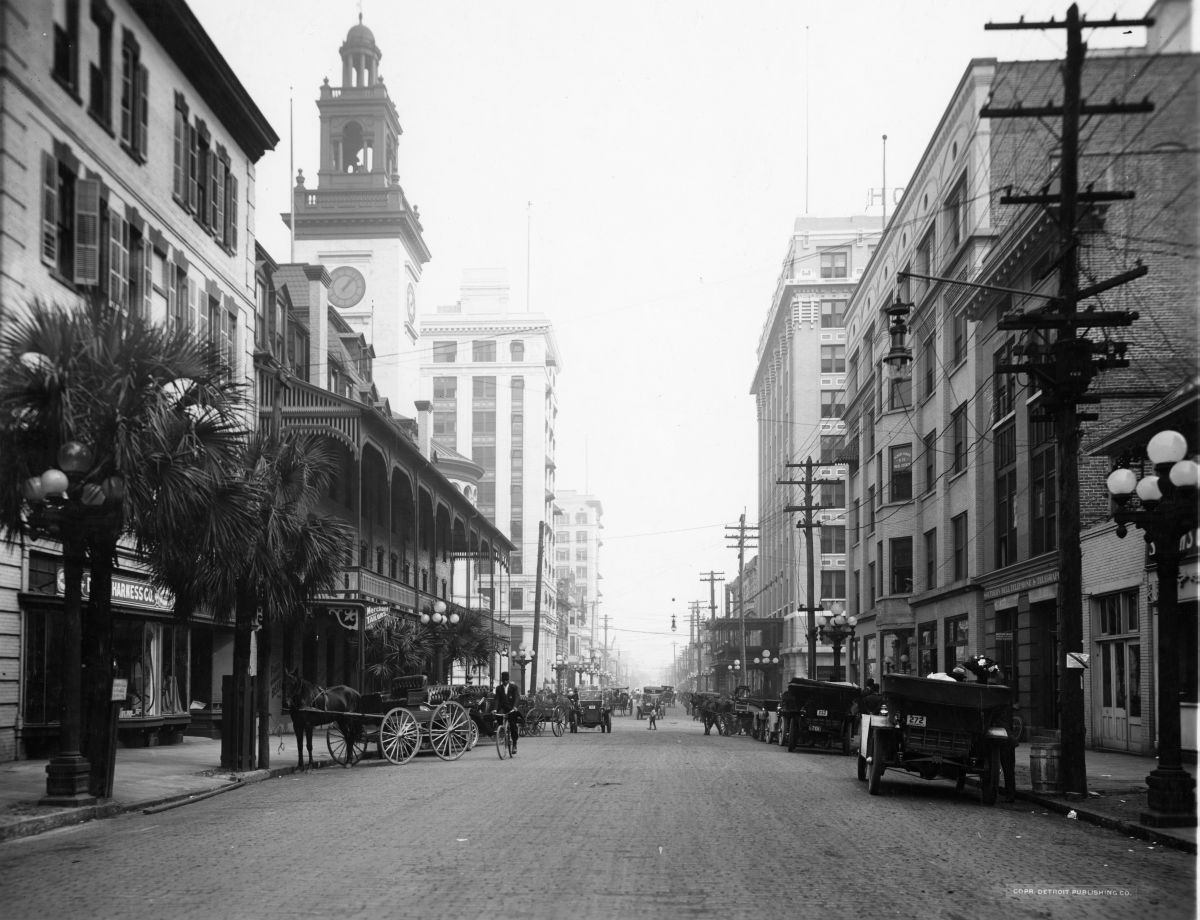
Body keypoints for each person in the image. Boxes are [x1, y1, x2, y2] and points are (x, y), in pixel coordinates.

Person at [494, 671, 521, 755]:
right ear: (502, 680)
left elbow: (517, 697)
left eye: (506, 680)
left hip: (511, 708)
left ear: (508, 680)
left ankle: (514, 744)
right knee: (498, 716)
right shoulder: (498, 688)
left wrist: (515, 707)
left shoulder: (514, 687)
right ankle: (501, 731)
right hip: (503, 708)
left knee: (513, 726)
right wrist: (495, 709)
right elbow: (497, 699)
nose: (505, 682)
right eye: (503, 680)